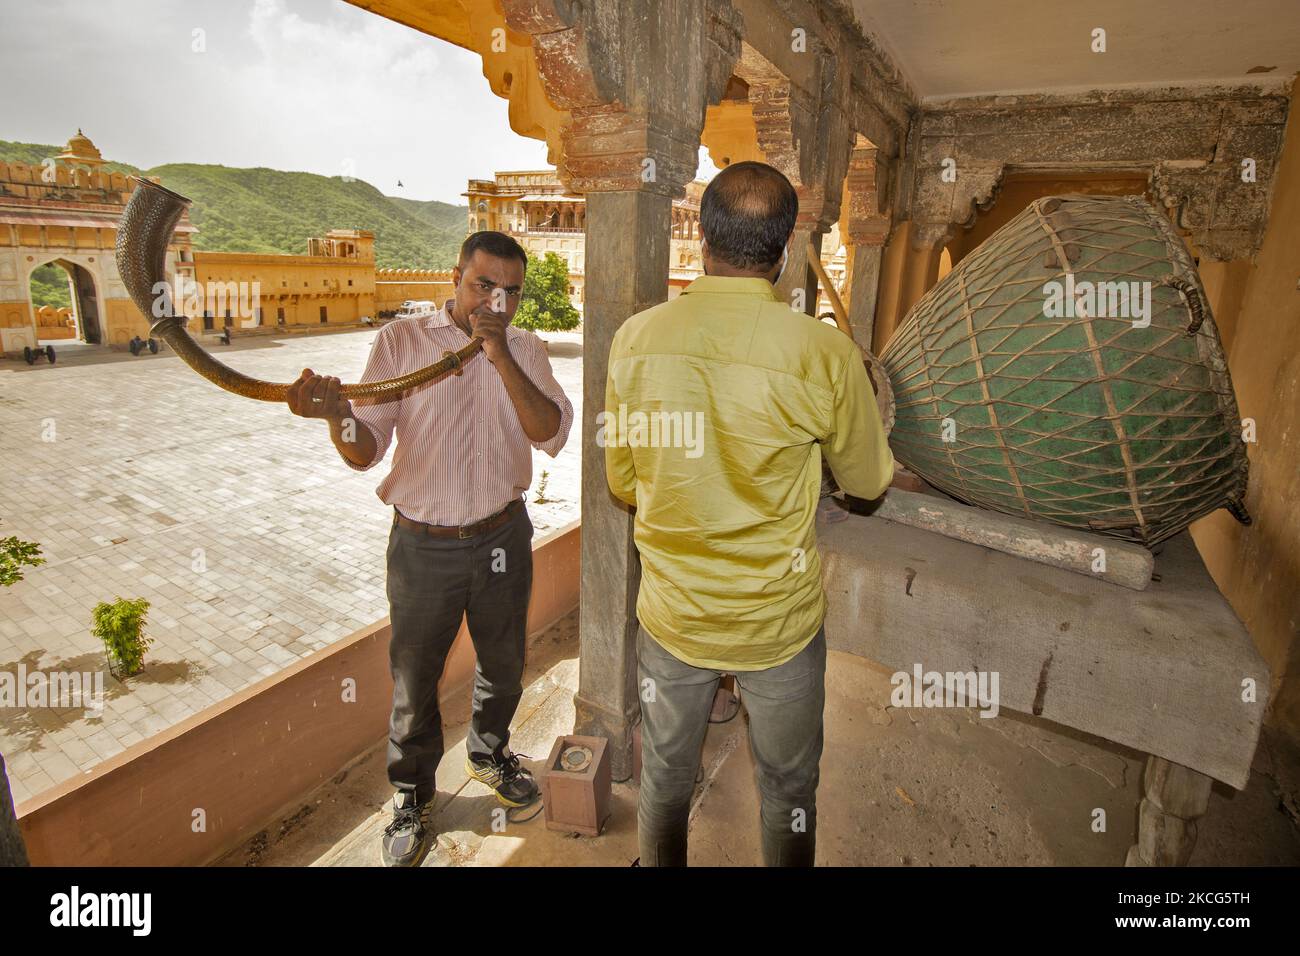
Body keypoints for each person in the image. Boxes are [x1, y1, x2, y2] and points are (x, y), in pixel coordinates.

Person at [604, 161, 894, 866]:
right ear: (788, 248)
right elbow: (867, 480)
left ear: (701, 238)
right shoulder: (824, 352)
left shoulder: (634, 341)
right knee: (788, 786)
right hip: (779, 623)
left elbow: (624, 481)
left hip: (675, 615)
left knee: (667, 778)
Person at [287, 231, 574, 866]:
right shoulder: (401, 344)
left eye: (510, 292)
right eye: (483, 286)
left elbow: (550, 430)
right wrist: (335, 414)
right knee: (415, 681)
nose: (495, 303)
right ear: (455, 278)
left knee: (503, 662)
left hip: (503, 535)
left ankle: (489, 750)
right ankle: (413, 794)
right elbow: (365, 449)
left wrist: (500, 356)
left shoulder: (525, 348)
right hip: (424, 546)